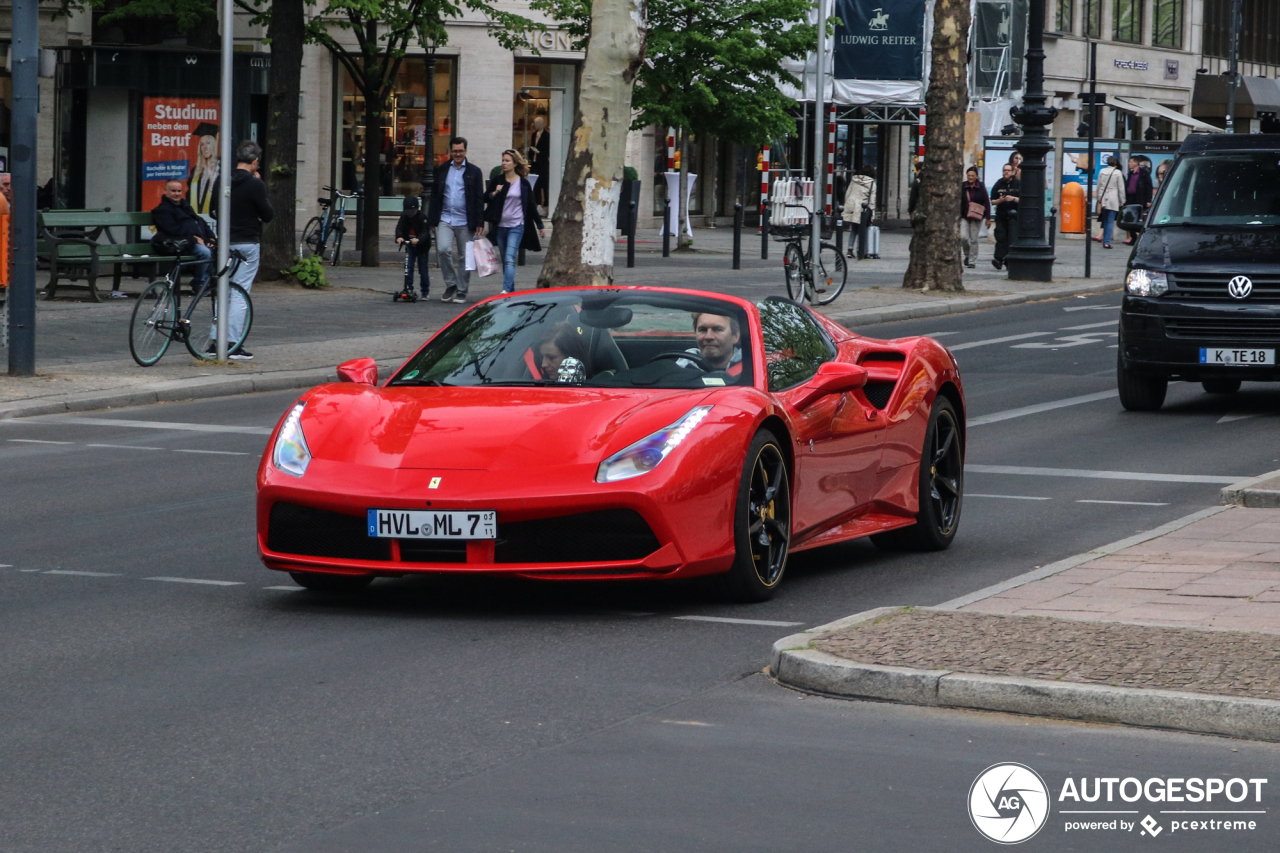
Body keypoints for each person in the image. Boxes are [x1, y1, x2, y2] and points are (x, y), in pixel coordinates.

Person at [226, 140, 274, 361]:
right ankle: (233, 343)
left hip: (225, 242)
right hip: (247, 242)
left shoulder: (222, 179)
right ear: (255, 161)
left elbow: (216, 210)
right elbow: (267, 215)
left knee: (222, 291)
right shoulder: (255, 184)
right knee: (239, 292)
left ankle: (215, 342)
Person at [428, 136, 485, 304]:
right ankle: (451, 284)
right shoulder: (443, 169)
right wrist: (432, 219)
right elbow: (435, 195)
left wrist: (480, 222)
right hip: (445, 217)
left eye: (460, 151)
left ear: (466, 151)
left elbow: (479, 198)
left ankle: (461, 290)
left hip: (465, 220)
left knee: (464, 257)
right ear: (450, 152)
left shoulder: (474, 171)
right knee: (443, 250)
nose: (457, 154)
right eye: (454, 151)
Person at [484, 149, 545, 294]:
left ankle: (505, 290)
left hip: (517, 226)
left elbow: (531, 205)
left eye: (507, 161)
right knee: (506, 259)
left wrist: (540, 225)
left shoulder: (523, 183)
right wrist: (494, 193)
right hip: (501, 226)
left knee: (510, 258)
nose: (504, 163)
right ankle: (510, 292)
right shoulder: (498, 181)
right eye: (503, 160)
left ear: (515, 163)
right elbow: (485, 197)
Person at [151, 178, 215, 301]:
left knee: (222, 251)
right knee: (205, 252)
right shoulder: (163, 210)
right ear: (166, 191)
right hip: (180, 244)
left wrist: (211, 236)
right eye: (173, 191)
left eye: (179, 191)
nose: (177, 194)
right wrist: (193, 238)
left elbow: (199, 222)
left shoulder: (185, 205)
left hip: (194, 241)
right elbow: (172, 230)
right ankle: (199, 284)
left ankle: (211, 283)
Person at [678, 312, 742, 374]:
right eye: (703, 330)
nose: (708, 337)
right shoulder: (682, 367)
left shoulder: (749, 368)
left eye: (717, 329)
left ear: (735, 336)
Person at [394, 194, 430, 299]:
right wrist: (399, 237)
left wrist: (418, 240)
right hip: (409, 244)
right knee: (408, 267)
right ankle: (408, 287)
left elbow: (425, 232)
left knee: (423, 269)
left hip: (422, 246)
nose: (410, 215)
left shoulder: (422, 217)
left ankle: (425, 291)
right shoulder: (404, 217)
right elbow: (399, 227)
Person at [841, 164, 876, 259]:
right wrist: (872, 216)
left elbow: (847, 193)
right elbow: (872, 201)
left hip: (851, 205)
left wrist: (847, 206)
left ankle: (849, 249)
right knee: (863, 230)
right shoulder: (872, 183)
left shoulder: (854, 180)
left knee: (854, 229)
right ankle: (862, 251)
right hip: (862, 207)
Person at [990, 163, 1020, 271]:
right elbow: (992, 201)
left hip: (1015, 217)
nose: (1006, 172)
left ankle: (1009, 261)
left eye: (1008, 170)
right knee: (1001, 237)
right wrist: (1000, 200)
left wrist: (1013, 199)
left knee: (1012, 239)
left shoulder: (1018, 183)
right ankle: (998, 260)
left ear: (1012, 172)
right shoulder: (999, 184)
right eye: (1004, 170)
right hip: (1001, 216)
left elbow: (1025, 200)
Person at [959, 166, 991, 269]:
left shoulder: (981, 186)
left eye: (972, 175)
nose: (970, 177)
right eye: (968, 175)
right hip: (964, 215)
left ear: (977, 176)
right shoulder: (963, 186)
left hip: (977, 216)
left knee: (974, 239)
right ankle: (967, 255)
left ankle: (972, 260)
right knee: (963, 237)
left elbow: (987, 201)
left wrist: (988, 218)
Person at [1093, 155, 1124, 249]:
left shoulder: (1102, 171)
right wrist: (1122, 200)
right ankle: (1107, 242)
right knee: (1110, 221)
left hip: (1103, 198)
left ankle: (1104, 240)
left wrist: (1099, 198)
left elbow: (1098, 186)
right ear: (1115, 163)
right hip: (1113, 198)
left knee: (1105, 220)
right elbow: (1121, 188)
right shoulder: (1118, 172)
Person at [1122, 156, 1153, 245]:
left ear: (1136, 163)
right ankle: (1133, 237)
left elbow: (1148, 187)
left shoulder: (1144, 173)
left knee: (1139, 218)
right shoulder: (1130, 173)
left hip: (1140, 198)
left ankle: (1141, 238)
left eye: (1131, 162)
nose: (1129, 164)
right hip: (1130, 198)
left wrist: (1148, 200)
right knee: (1130, 218)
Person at [189, 134, 219, 215]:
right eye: (202, 144)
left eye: (208, 143)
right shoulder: (196, 170)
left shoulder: (220, 168)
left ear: (213, 145)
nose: (205, 147)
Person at [527, 116, 551, 210]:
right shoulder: (534, 135)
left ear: (542, 124)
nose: (536, 125)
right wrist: (531, 152)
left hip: (543, 163)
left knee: (544, 183)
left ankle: (546, 203)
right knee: (535, 183)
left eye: (538, 123)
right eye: (535, 123)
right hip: (535, 162)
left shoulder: (547, 135)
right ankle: (537, 203)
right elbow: (532, 146)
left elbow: (548, 150)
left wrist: (539, 152)